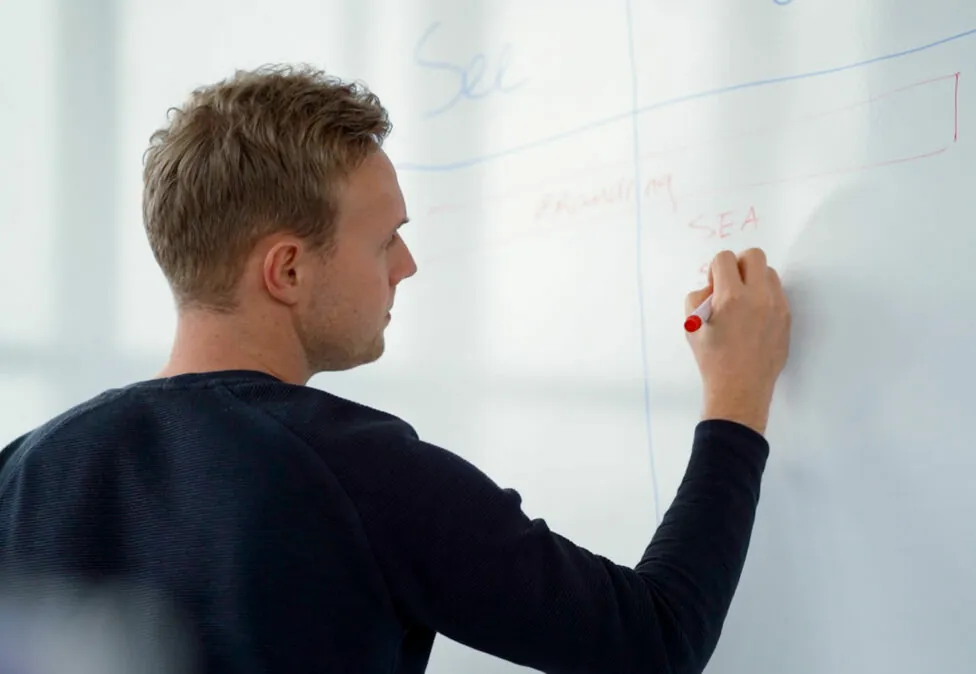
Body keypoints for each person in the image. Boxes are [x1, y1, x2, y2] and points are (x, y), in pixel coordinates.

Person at [0, 65, 791, 674]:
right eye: (385, 240)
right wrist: (737, 397)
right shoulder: (356, 472)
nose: (406, 265)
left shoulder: (23, 470)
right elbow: (652, 641)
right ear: (287, 270)